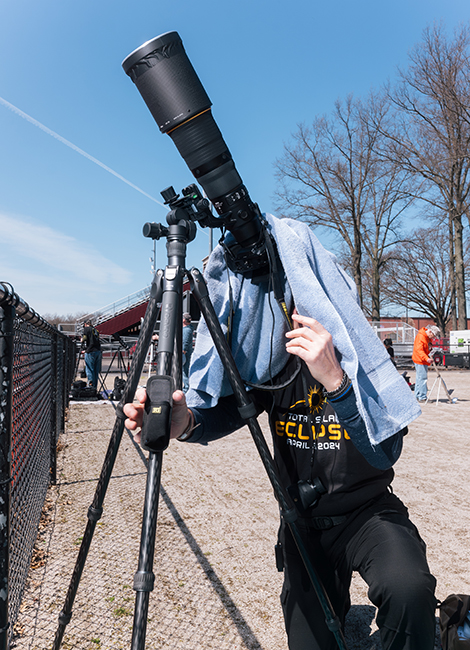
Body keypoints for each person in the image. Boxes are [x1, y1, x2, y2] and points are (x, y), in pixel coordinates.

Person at [123, 215, 437, 650]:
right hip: (301, 520)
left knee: (410, 592)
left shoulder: (357, 359)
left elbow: (387, 451)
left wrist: (337, 382)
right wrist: (186, 423)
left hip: (368, 512)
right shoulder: (273, 362)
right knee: (312, 638)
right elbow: (237, 409)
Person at [412, 325, 441, 402]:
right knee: (422, 378)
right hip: (420, 360)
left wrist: (430, 349)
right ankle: (422, 397)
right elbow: (419, 350)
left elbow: (426, 348)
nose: (433, 338)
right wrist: (427, 358)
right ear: (430, 331)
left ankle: (418, 395)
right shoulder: (421, 337)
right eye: (433, 335)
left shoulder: (427, 338)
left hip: (422, 360)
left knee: (419, 378)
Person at [81, 320, 102, 389]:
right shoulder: (95, 330)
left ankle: (90, 387)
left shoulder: (86, 329)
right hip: (98, 351)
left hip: (90, 352)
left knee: (90, 370)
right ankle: (94, 388)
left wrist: (82, 340)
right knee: (96, 371)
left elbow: (84, 338)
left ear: (85, 324)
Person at [182, 313, 194, 392]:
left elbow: (185, 342)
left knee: (184, 371)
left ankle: (186, 388)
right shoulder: (189, 328)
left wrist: (183, 351)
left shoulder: (187, 330)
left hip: (185, 352)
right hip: (186, 352)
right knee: (184, 370)